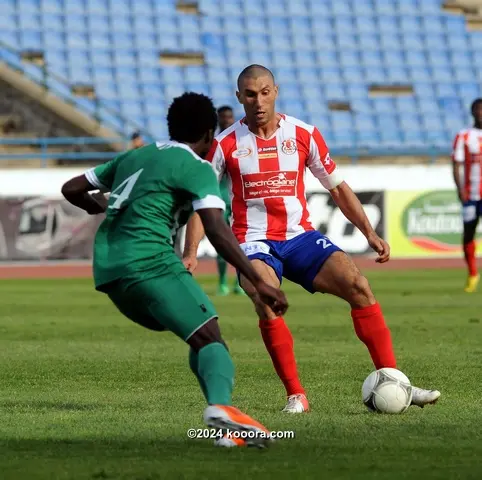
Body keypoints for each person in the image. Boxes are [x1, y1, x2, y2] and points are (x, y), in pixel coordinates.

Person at [183, 65, 441, 415]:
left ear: (275, 91)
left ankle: (397, 381)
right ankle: (296, 395)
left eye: (264, 92)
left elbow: (337, 187)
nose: (257, 101)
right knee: (264, 295)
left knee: (359, 285)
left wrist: (369, 232)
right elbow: (205, 202)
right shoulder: (225, 144)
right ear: (239, 97)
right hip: (253, 241)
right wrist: (190, 253)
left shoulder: (303, 134)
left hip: (299, 236)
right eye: (249, 94)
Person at [61, 92, 289, 448]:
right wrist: (260, 281)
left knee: (199, 334)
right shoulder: (196, 167)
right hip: (150, 261)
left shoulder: (136, 155)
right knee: (212, 338)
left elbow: (72, 188)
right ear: (210, 135)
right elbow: (216, 227)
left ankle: (224, 429)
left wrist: (97, 207)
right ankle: (222, 410)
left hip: (110, 272)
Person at [452, 98, 482, 292]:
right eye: (478, 110)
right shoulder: (464, 136)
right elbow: (456, 164)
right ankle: (472, 273)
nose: (481, 113)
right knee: (468, 234)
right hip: (471, 195)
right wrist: (460, 189)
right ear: (472, 112)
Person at [215, 106, 244, 295]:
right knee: (220, 243)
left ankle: (238, 282)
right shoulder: (212, 142)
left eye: (229, 117)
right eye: (223, 117)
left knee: (241, 242)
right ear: (217, 119)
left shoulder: (239, 140)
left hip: (236, 200)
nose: (226, 120)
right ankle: (223, 282)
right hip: (217, 199)